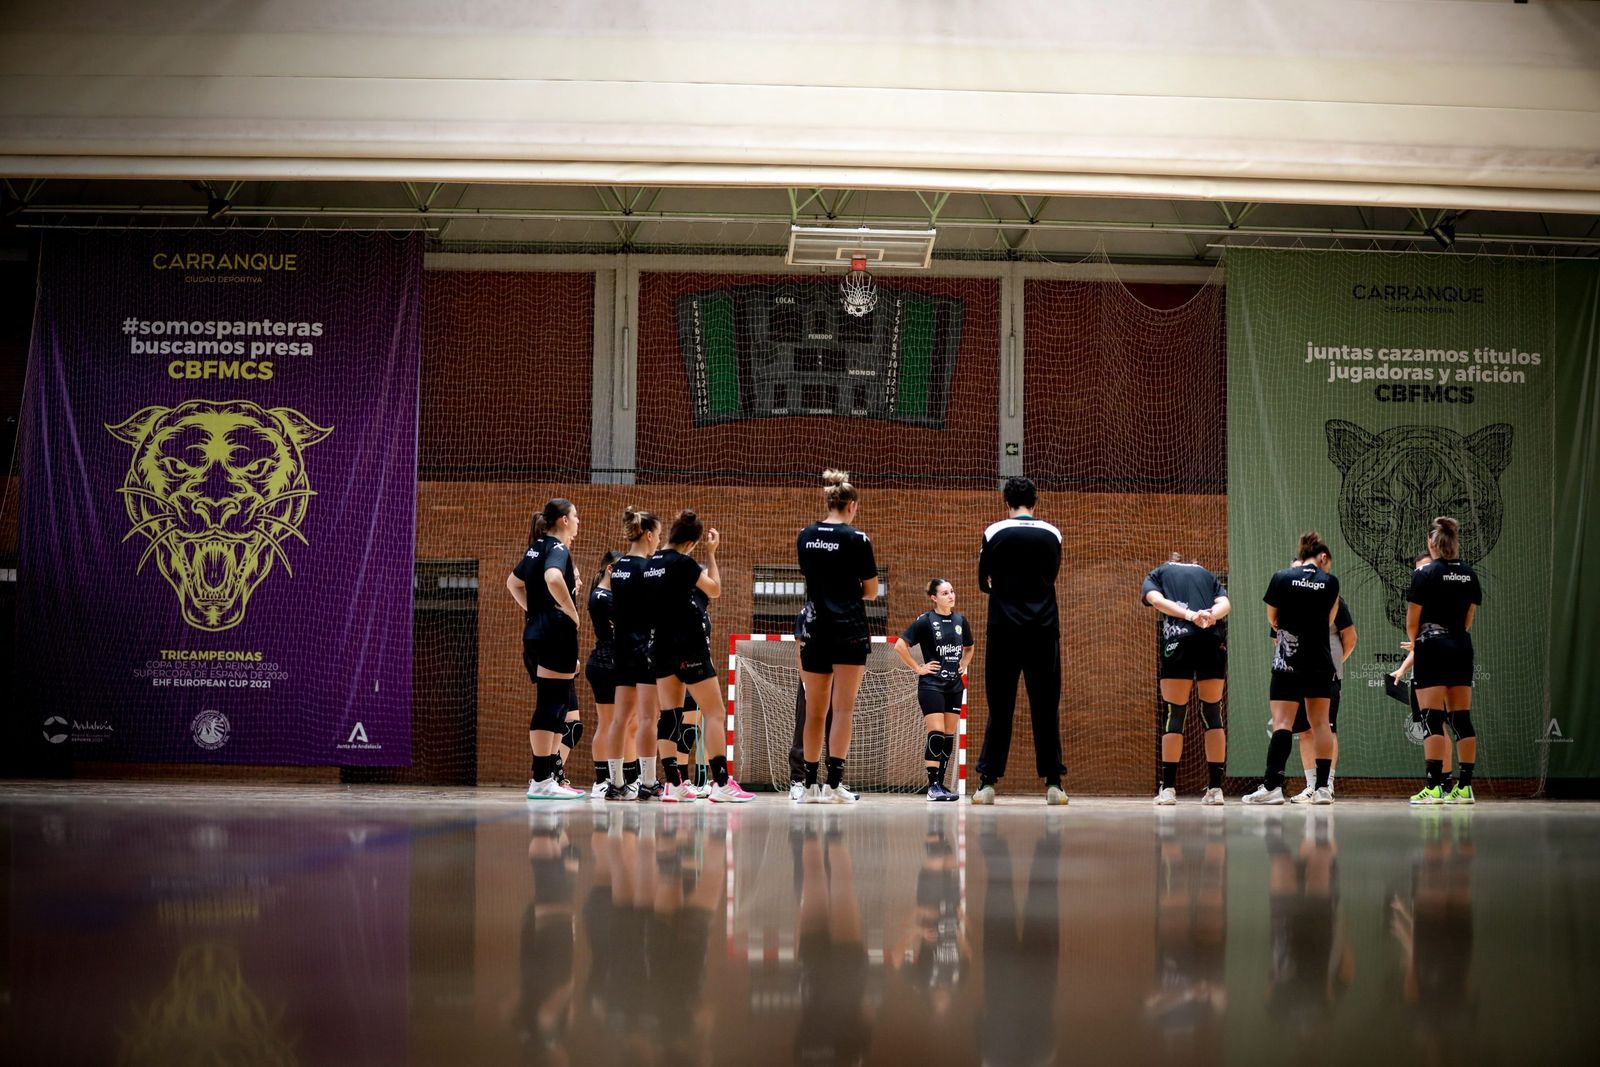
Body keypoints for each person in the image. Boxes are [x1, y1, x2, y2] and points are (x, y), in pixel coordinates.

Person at [646, 509, 753, 803]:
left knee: (670, 715)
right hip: (688, 646)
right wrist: (712, 554)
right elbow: (715, 590)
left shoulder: (650, 564)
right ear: (691, 542)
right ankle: (720, 784)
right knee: (715, 713)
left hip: (659, 648)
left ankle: (672, 785)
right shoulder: (684, 562)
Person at [972, 476, 1067, 805]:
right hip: (1043, 629)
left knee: (1000, 707)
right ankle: (1054, 784)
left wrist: (1002, 591)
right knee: (1045, 705)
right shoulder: (1053, 533)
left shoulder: (994, 531)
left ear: (1006, 503)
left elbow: (982, 580)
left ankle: (987, 784)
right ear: (1035, 502)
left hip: (1003, 629)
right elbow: (1051, 574)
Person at [796, 469, 879, 804]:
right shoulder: (858, 539)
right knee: (843, 709)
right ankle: (834, 785)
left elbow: (812, 576)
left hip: (814, 628)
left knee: (815, 712)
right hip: (849, 630)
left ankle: (809, 786)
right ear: (852, 506)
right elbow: (871, 591)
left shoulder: (805, 536)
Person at [1244, 531, 1340, 806]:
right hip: (1320, 662)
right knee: (1321, 723)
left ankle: (1273, 787)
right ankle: (1323, 789)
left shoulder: (1281, 577)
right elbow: (1329, 620)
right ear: (1322, 556)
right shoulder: (1330, 582)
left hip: (1288, 660)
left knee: (1283, 723)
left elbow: (1272, 619)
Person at [506, 498, 587, 801]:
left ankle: (547, 777)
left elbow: (512, 583)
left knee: (557, 706)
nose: (579, 521)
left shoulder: (535, 547)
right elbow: (553, 578)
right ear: (564, 520)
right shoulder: (557, 548)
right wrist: (570, 611)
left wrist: (535, 611)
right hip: (556, 633)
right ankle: (541, 779)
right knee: (552, 705)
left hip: (536, 632)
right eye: (575, 516)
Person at [1141, 553, 1231, 806]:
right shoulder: (1206, 574)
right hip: (1212, 639)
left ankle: (1168, 788)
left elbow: (1155, 600)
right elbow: (1225, 604)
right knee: (1213, 714)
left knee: (1175, 713)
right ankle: (1215, 789)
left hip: (1178, 640)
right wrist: (1210, 616)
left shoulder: (1158, 572)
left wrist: (1190, 615)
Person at [1406, 517, 1482, 806]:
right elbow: (1468, 619)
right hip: (1461, 645)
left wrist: (1418, 643)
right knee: (1461, 718)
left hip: (1432, 646)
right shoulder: (1469, 574)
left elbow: (1412, 621)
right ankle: (1464, 787)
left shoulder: (1424, 574)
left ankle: (1434, 787)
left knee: (1432, 717)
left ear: (1432, 543)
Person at [895, 578, 974, 802]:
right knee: (937, 733)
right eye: (945, 593)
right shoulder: (925, 621)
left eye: (952, 591)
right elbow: (900, 646)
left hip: (955, 685)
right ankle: (932, 787)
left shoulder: (961, 620)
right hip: (931, 685)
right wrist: (918, 668)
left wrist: (964, 663)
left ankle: (940, 784)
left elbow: (969, 647)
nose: (951, 595)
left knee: (949, 736)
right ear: (934, 598)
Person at [1390, 550, 1458, 793]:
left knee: (1441, 728)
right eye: (1418, 570)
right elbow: (1420, 646)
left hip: (1442, 671)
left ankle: (1445, 783)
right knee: (1434, 728)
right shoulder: (1419, 606)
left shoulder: (1448, 603)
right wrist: (1401, 670)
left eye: (1426, 568)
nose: (1423, 574)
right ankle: (1440, 784)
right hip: (1422, 674)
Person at [607, 506, 660, 801]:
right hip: (644, 649)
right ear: (649, 535)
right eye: (658, 536)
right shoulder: (646, 569)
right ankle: (649, 782)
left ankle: (615, 784)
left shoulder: (619, 567)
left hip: (621, 648)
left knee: (620, 719)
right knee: (647, 719)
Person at [1287, 590, 1357, 803]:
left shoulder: (1334, 601)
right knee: (1305, 731)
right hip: (1297, 675)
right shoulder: (1289, 603)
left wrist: (1333, 664)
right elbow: (1279, 639)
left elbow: (1350, 639)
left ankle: (1326, 785)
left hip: (1326, 676)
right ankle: (1311, 786)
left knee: (1327, 728)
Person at [582, 550, 622, 799]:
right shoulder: (601, 596)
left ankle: (623, 777)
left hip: (614, 664)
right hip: (605, 665)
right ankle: (600, 781)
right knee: (607, 723)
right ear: (610, 570)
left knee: (621, 723)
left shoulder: (610, 595)